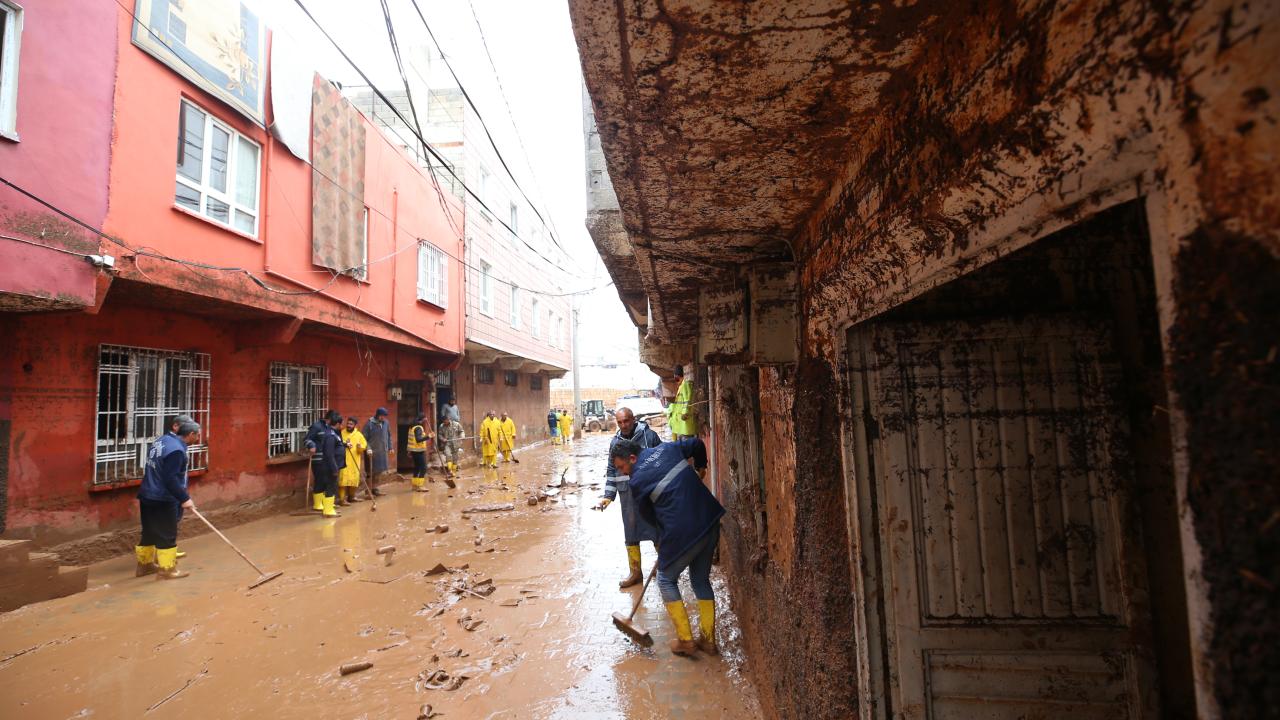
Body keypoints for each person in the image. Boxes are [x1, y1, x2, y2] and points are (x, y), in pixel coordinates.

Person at [610, 436, 722, 657]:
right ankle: (708, 641)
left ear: (632, 458)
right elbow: (698, 444)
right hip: (710, 520)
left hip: (684, 531)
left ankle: (686, 641)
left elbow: (649, 518)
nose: (623, 473)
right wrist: (701, 468)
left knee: (665, 579)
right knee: (700, 580)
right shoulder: (668, 448)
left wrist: (662, 543)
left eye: (622, 467)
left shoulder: (637, 482)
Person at [595, 407, 663, 587]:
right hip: (627, 494)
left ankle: (663, 567)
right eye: (619, 422)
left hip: (649, 491)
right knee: (631, 531)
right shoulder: (614, 443)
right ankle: (635, 572)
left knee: (655, 527)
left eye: (626, 421)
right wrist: (608, 496)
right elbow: (611, 469)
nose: (623, 425)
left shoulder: (650, 437)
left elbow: (662, 459)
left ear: (633, 419)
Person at [136, 416, 201, 579]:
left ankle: (144, 565)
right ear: (191, 434)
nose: (198, 438)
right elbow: (170, 478)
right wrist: (184, 498)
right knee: (167, 534)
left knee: (149, 532)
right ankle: (167, 570)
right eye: (198, 435)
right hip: (163, 498)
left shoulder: (162, 440)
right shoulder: (177, 451)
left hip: (147, 494)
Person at [306, 410, 346, 517]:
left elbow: (336, 443)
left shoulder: (331, 430)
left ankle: (326, 505)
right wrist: (311, 445)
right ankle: (320, 505)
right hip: (319, 459)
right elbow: (307, 439)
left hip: (328, 460)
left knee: (327, 483)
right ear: (328, 419)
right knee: (322, 482)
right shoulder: (317, 427)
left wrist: (344, 445)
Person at [362, 408, 393, 496]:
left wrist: (390, 447)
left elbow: (389, 435)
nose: (383, 418)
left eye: (384, 416)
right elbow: (363, 438)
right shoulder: (369, 424)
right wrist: (368, 448)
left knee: (379, 472)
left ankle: (374, 489)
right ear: (378, 415)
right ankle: (368, 491)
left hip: (382, 451)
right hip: (371, 452)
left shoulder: (386, 423)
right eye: (382, 416)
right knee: (370, 472)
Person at [339, 416, 367, 505]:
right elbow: (337, 444)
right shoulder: (341, 433)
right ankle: (342, 499)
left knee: (354, 480)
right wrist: (344, 445)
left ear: (355, 425)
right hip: (343, 461)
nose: (348, 425)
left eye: (351, 424)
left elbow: (364, 445)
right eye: (348, 423)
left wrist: (360, 448)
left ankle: (352, 497)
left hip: (354, 460)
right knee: (343, 480)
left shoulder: (358, 435)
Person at [667, 364, 698, 440]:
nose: (676, 381)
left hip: (685, 423)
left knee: (687, 446)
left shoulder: (685, 385)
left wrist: (685, 413)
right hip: (682, 424)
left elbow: (687, 400)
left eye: (676, 378)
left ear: (677, 376)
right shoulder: (682, 386)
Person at [407, 413, 431, 492]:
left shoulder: (412, 427)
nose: (426, 420)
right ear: (423, 419)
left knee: (417, 468)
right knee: (423, 468)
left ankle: (414, 485)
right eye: (425, 419)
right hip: (418, 451)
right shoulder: (418, 428)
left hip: (414, 451)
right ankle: (420, 486)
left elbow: (412, 440)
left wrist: (409, 451)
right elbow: (418, 439)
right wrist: (429, 436)